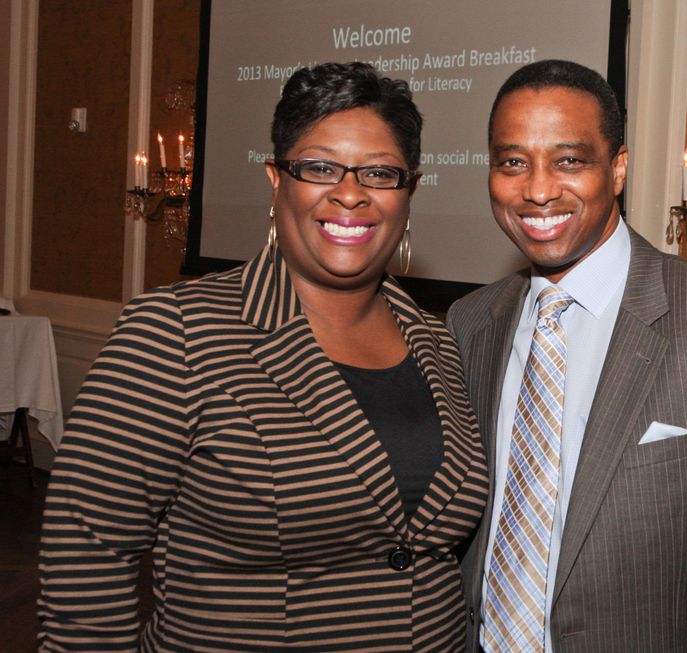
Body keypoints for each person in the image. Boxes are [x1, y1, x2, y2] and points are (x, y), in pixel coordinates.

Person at [38, 62, 488, 652]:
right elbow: (86, 552)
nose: (350, 193)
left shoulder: (438, 341)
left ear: (409, 191)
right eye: (319, 167)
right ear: (277, 180)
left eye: (380, 173)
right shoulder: (174, 332)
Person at [447, 59, 687, 652]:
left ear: (617, 168)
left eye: (570, 160)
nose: (538, 189)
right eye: (513, 162)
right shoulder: (469, 323)